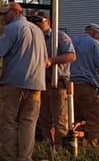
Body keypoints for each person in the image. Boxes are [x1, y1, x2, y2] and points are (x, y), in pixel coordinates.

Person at [0, 2, 47, 161]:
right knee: (28, 123)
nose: (2, 18)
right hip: (36, 84)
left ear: (15, 12)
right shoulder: (38, 31)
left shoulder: (12, 29)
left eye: (5, 14)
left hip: (14, 83)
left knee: (9, 122)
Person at [29, 10, 76, 145]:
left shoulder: (60, 37)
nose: (36, 24)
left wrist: (51, 60)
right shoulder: (34, 38)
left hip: (58, 84)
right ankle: (49, 149)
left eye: (40, 21)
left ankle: (61, 151)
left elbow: (71, 56)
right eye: (34, 21)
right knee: (44, 120)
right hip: (41, 84)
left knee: (60, 120)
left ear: (48, 22)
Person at [71, 23, 99, 146]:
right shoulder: (94, 44)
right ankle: (94, 149)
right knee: (94, 119)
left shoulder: (72, 41)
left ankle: (74, 146)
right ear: (95, 33)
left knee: (75, 119)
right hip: (87, 86)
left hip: (69, 86)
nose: (98, 39)